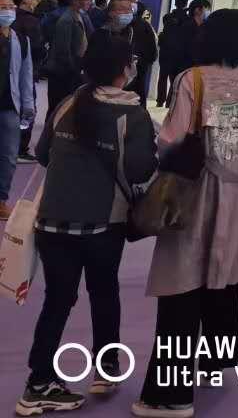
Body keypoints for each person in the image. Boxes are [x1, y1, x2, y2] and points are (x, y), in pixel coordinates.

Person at [133, 9, 238, 418]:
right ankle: (215, 360)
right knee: (225, 278)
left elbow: (171, 139)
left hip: (195, 195)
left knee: (182, 288)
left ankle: (170, 396)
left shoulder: (193, 79)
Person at [16, 33, 156, 415]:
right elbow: (141, 169)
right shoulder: (132, 114)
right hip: (103, 223)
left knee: (57, 301)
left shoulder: (68, 102)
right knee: (104, 293)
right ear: (124, 68)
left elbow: (43, 154)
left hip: (52, 221)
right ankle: (106, 369)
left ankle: (38, 383)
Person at [0, 0, 37, 222]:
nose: (7, 11)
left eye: (10, 7)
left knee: (8, 156)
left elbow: (26, 74)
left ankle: (1, 200)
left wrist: (28, 105)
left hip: (9, 106)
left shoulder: (21, 40)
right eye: (2, 7)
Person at [157, 0, 208, 107]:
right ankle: (170, 103)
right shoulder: (187, 24)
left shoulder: (168, 17)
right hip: (183, 61)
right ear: (197, 10)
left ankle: (161, 101)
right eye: (205, 9)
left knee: (164, 78)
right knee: (176, 82)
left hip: (166, 54)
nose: (206, 12)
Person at [10, 0, 42, 163]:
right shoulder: (30, 21)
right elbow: (37, 49)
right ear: (24, 0)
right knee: (26, 108)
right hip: (25, 72)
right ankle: (20, 148)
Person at [47, 0, 90, 111]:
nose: (89, 3)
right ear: (75, 1)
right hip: (63, 71)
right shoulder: (66, 20)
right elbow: (63, 49)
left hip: (73, 67)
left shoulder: (80, 15)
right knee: (58, 105)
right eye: (85, 0)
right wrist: (74, 69)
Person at [127, 0, 159, 100]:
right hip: (142, 62)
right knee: (139, 86)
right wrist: (150, 60)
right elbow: (152, 44)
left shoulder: (130, 24)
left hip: (132, 60)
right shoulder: (146, 25)